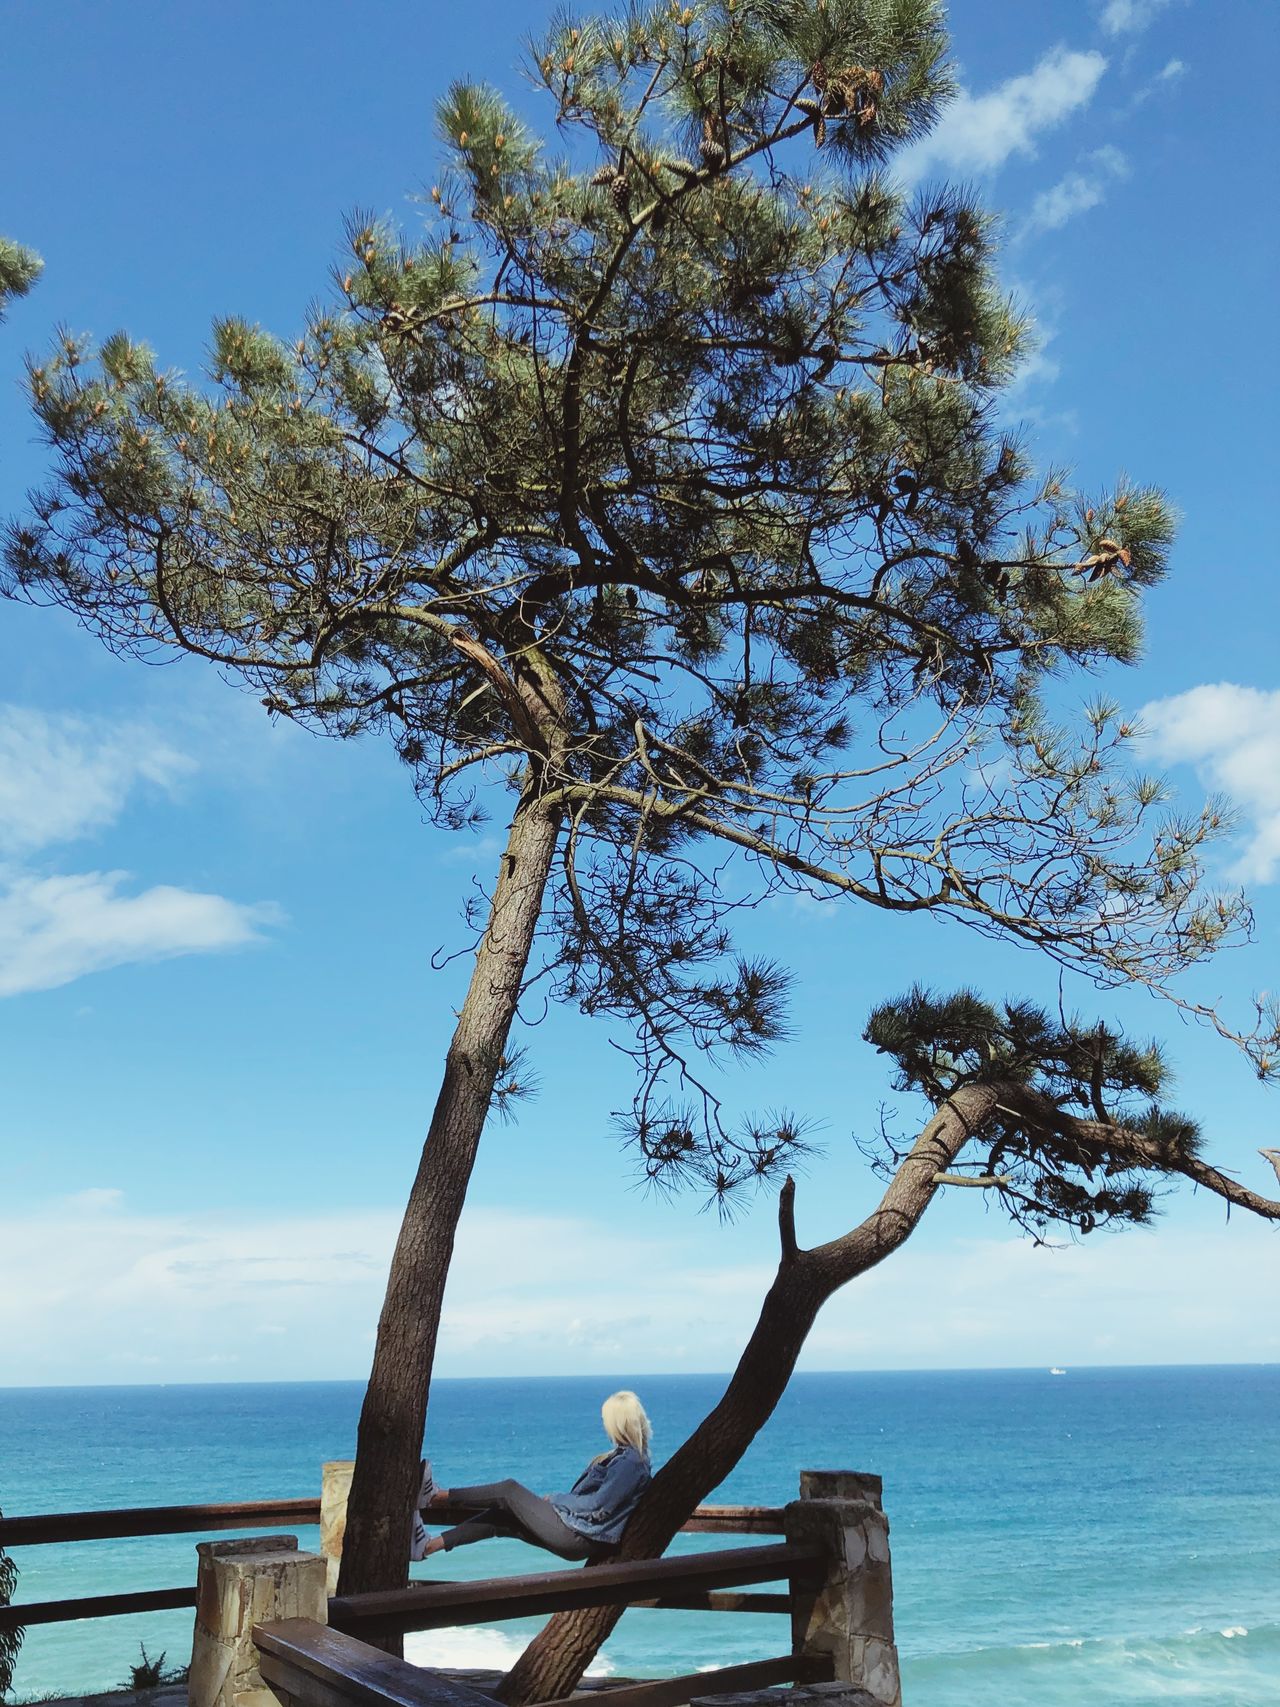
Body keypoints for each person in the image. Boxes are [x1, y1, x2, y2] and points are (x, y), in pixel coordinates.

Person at [410, 1389, 652, 1563]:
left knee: (508, 1490)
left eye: (606, 1419)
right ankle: (426, 1547)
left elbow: (600, 1505)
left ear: (618, 1423)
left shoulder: (632, 1462)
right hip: (576, 1532)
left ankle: (433, 1497)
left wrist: (556, 1499)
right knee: (500, 1518)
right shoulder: (625, 1457)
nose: (604, 1424)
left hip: (577, 1536)